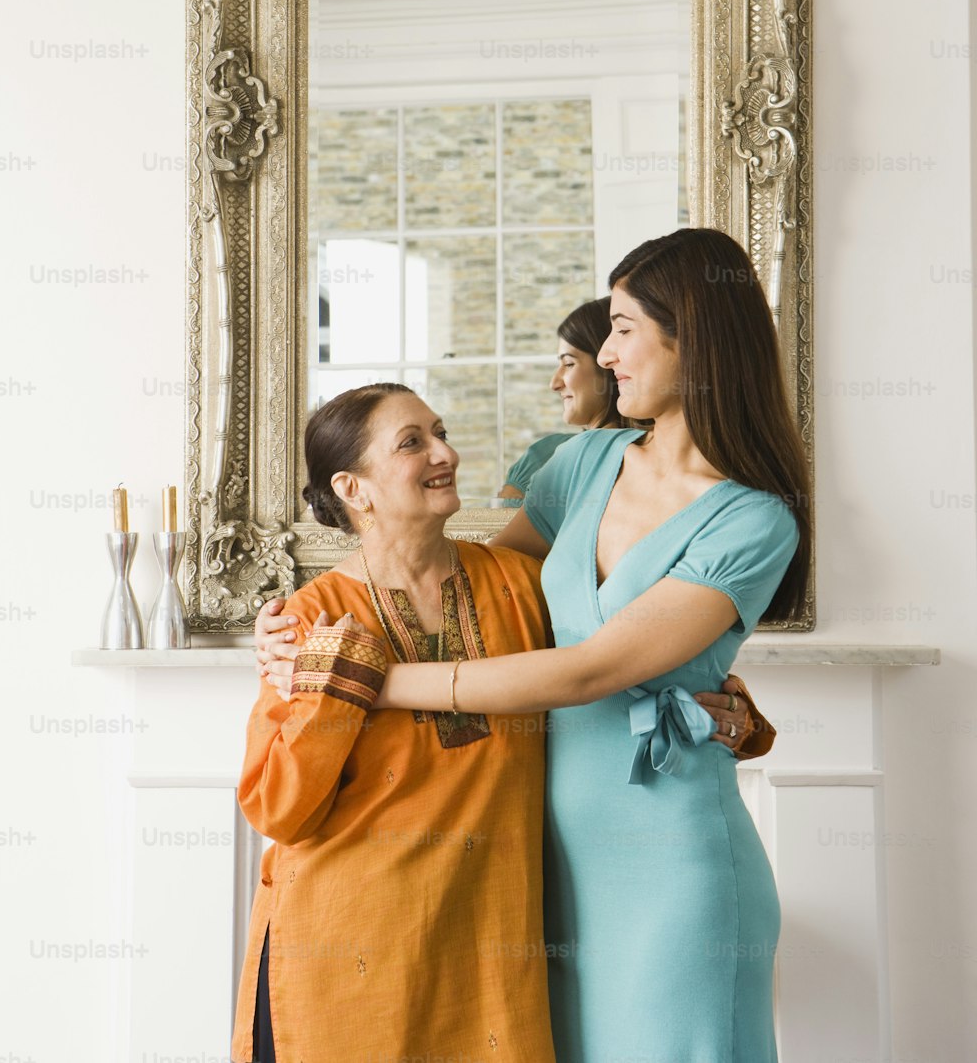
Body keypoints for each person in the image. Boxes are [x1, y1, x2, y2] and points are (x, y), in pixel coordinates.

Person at [261, 227, 808, 1062]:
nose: (607, 353)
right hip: (544, 867)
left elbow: (592, 667)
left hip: (671, 856)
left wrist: (363, 679)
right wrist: (296, 630)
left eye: (623, 328)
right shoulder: (580, 464)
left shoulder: (754, 516)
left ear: (689, 335)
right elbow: (484, 589)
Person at [231, 382, 557, 1063]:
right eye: (413, 443)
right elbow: (278, 808)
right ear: (354, 488)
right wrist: (341, 683)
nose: (446, 453)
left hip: (484, 943)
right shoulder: (309, 619)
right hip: (345, 945)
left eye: (440, 432)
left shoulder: (520, 585)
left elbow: (605, 672)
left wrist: (721, 707)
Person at [498, 295, 626, 506]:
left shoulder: (649, 459)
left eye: (568, 364)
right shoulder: (543, 454)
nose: (554, 384)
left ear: (609, 365)